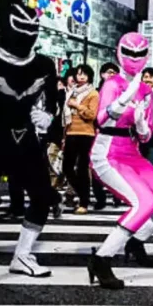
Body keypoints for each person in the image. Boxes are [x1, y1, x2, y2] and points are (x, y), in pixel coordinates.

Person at [89, 33, 153, 289]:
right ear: (120, 51)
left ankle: (135, 241)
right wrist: (122, 100)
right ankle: (101, 259)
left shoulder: (147, 91)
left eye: (140, 54)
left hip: (132, 152)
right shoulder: (111, 84)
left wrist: (141, 124)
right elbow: (101, 121)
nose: (134, 58)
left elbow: (147, 134)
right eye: (129, 52)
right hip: (107, 152)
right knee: (144, 203)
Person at [0, 3, 57, 280]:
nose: (28, 34)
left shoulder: (44, 64)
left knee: (42, 196)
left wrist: (48, 118)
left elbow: (51, 103)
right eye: (21, 27)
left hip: (26, 138)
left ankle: (22, 256)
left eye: (32, 28)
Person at [62, 64, 99, 214]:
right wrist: (64, 136)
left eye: (84, 74)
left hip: (86, 134)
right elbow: (66, 116)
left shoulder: (93, 94)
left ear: (90, 76)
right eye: (78, 74)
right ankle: (83, 193)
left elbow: (91, 115)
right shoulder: (71, 92)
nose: (81, 77)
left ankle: (84, 202)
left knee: (83, 168)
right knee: (66, 167)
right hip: (71, 133)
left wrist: (77, 105)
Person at [92, 62, 121, 210]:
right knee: (96, 168)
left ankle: (117, 195)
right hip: (97, 134)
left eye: (114, 72)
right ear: (102, 74)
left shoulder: (123, 94)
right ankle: (100, 198)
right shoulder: (96, 92)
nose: (111, 75)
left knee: (114, 167)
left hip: (116, 136)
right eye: (108, 72)